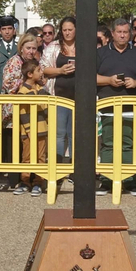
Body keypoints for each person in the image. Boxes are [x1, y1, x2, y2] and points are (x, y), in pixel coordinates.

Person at [95, 19, 136, 197]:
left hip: (131, 106)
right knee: (108, 143)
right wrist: (109, 80)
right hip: (107, 105)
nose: (122, 35)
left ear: (130, 33)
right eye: (119, 32)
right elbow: (91, 76)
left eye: (125, 32)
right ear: (112, 33)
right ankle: (106, 181)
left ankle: (130, 181)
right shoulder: (101, 53)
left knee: (129, 143)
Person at [43, 17, 77, 173]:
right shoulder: (54, 46)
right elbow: (43, 68)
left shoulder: (84, 45)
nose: (67, 33)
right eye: (64, 30)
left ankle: (75, 169)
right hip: (59, 96)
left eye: (70, 29)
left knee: (75, 133)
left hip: (79, 97)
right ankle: (57, 168)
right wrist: (60, 70)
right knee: (59, 133)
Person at [14, 60, 50, 195]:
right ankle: (25, 181)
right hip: (28, 132)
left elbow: (47, 104)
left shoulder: (40, 89)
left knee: (41, 157)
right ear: (30, 74)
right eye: (38, 71)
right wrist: (29, 129)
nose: (41, 73)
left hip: (41, 129)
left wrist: (43, 86)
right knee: (27, 156)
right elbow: (22, 113)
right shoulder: (22, 91)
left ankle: (39, 182)